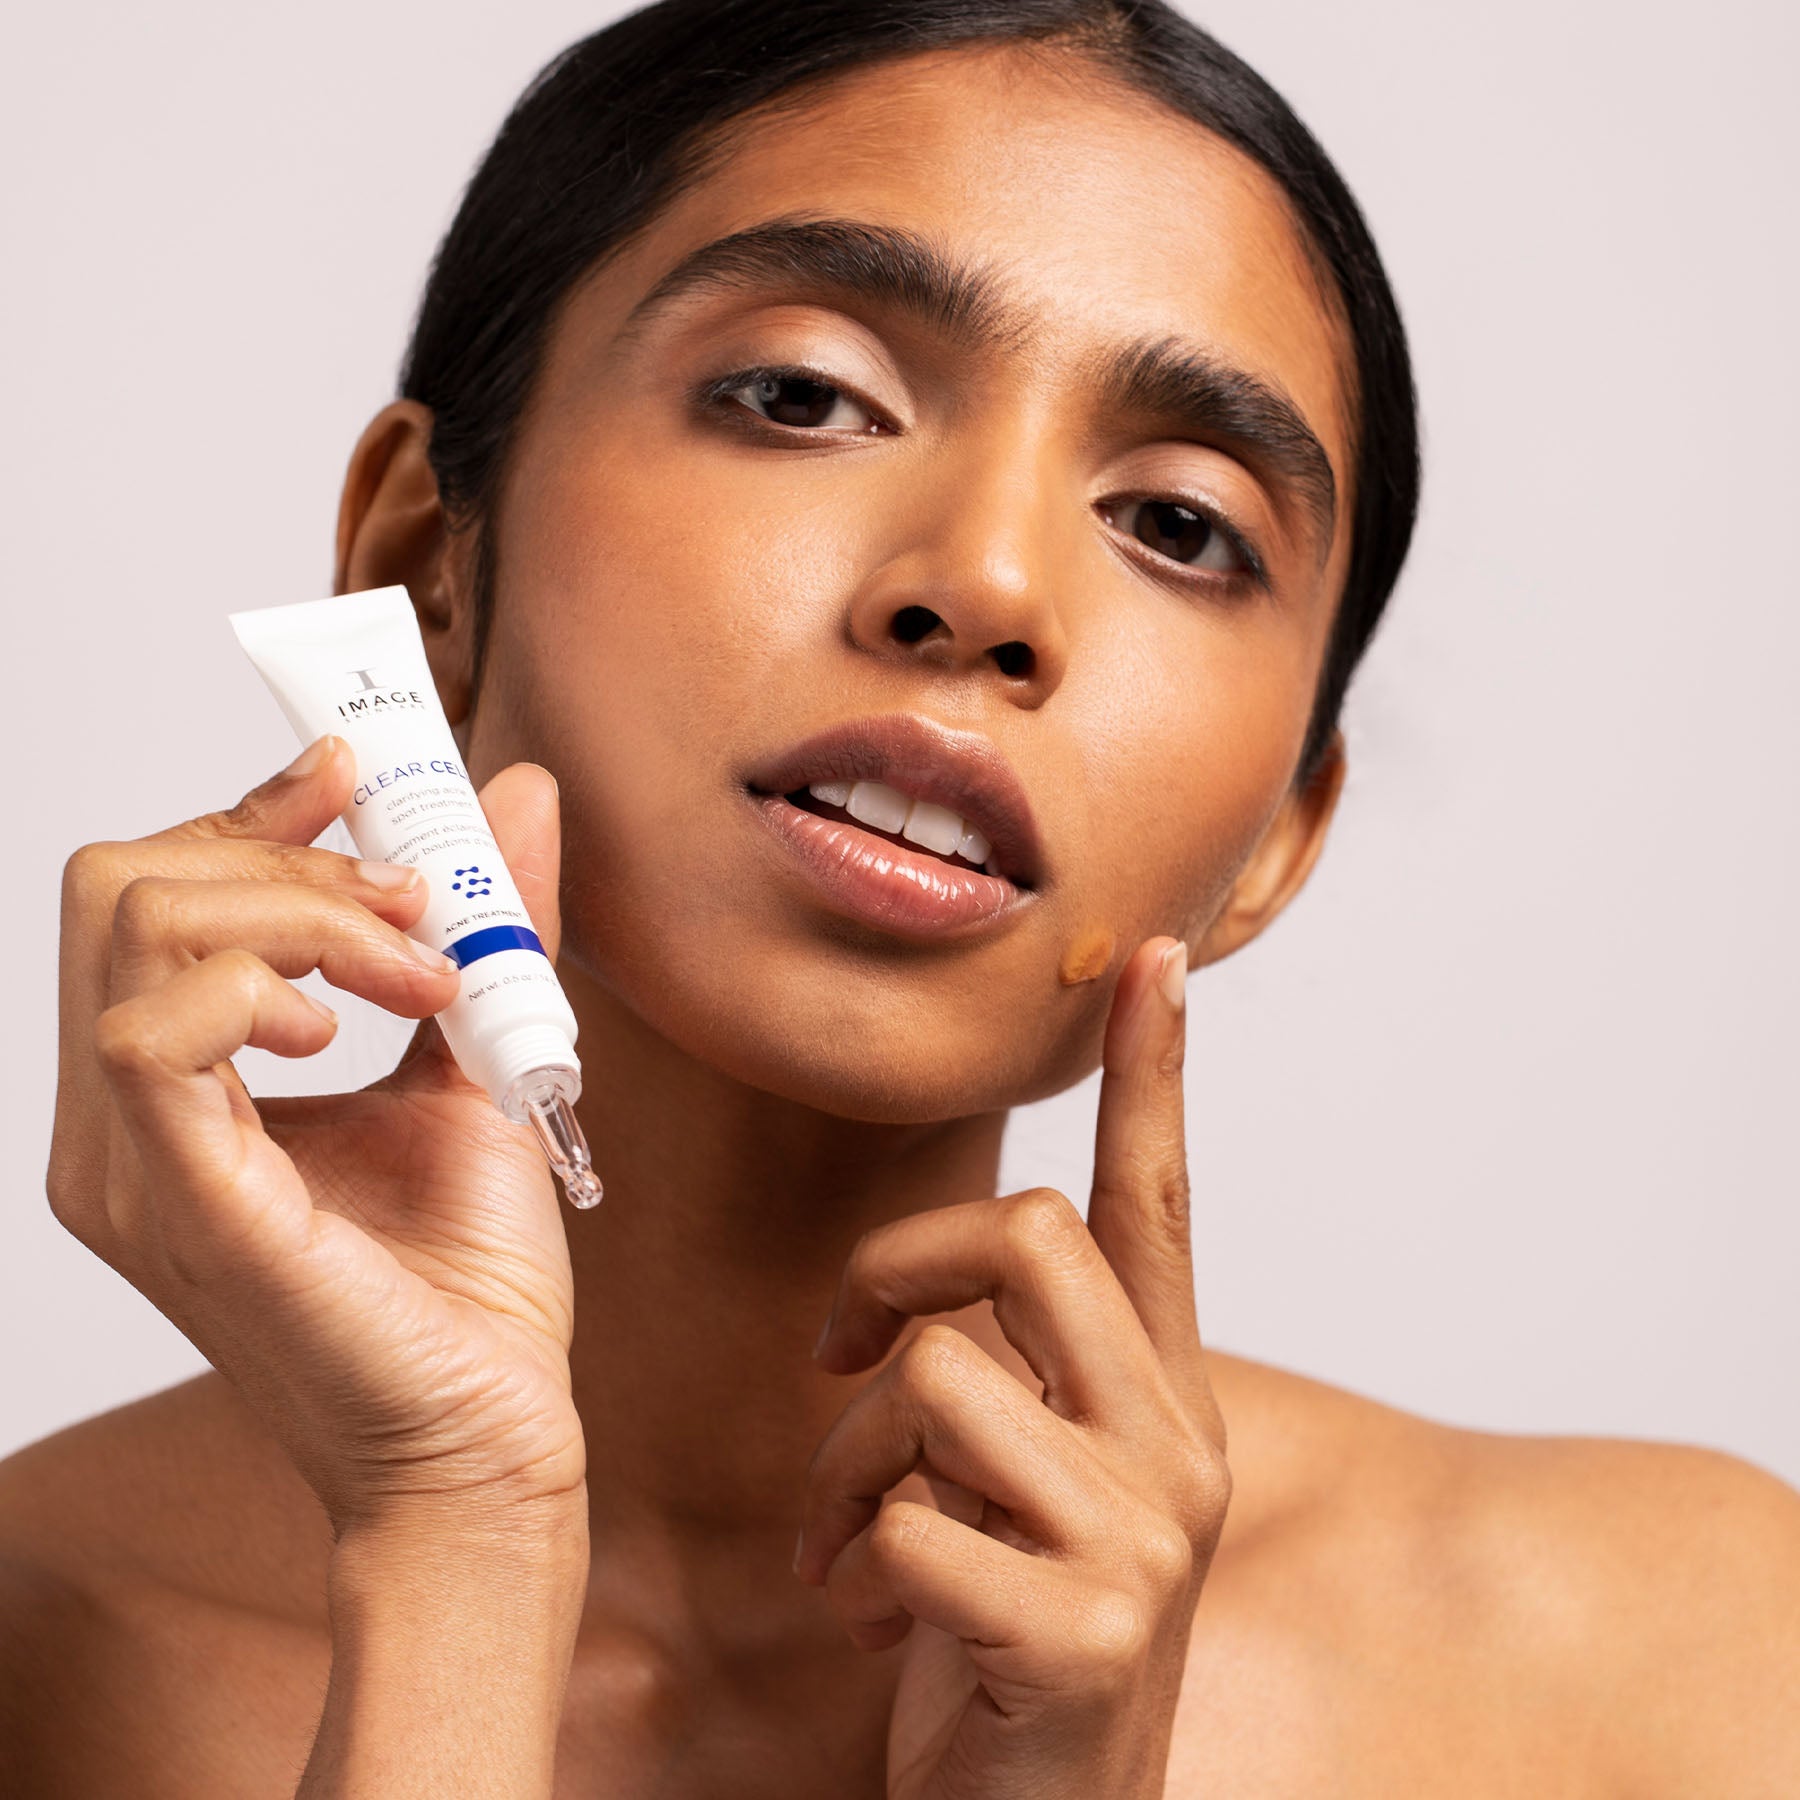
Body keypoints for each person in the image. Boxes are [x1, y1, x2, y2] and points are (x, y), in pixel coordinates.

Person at [6, 2, 1798, 1793]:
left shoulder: (1676, 1659)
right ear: (426, 567)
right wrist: (453, 1537)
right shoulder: (43, 1651)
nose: (992, 585)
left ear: (1274, 838)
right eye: (802, 396)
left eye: (1178, 523)